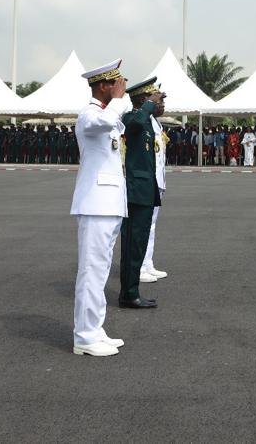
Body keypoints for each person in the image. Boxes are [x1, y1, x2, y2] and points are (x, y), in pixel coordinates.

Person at [70, 59, 131, 357]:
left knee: (101, 270)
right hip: (95, 204)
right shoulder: (89, 115)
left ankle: (94, 328)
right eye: (116, 83)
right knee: (91, 271)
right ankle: (84, 335)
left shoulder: (107, 114)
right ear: (103, 85)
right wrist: (118, 100)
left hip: (109, 204)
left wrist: (119, 103)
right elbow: (107, 121)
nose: (122, 86)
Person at [118, 77, 163, 310]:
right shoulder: (130, 117)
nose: (159, 102)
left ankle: (131, 291)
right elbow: (133, 123)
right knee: (132, 244)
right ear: (143, 99)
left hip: (145, 191)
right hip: (135, 192)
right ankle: (129, 293)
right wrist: (148, 106)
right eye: (154, 98)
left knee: (140, 243)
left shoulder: (147, 122)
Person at [140, 81, 169, 284]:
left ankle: (147, 263)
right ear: (147, 100)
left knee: (150, 226)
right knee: (141, 226)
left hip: (157, 181)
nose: (162, 104)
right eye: (159, 100)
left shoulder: (156, 123)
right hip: (147, 182)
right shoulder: (143, 122)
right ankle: (139, 266)